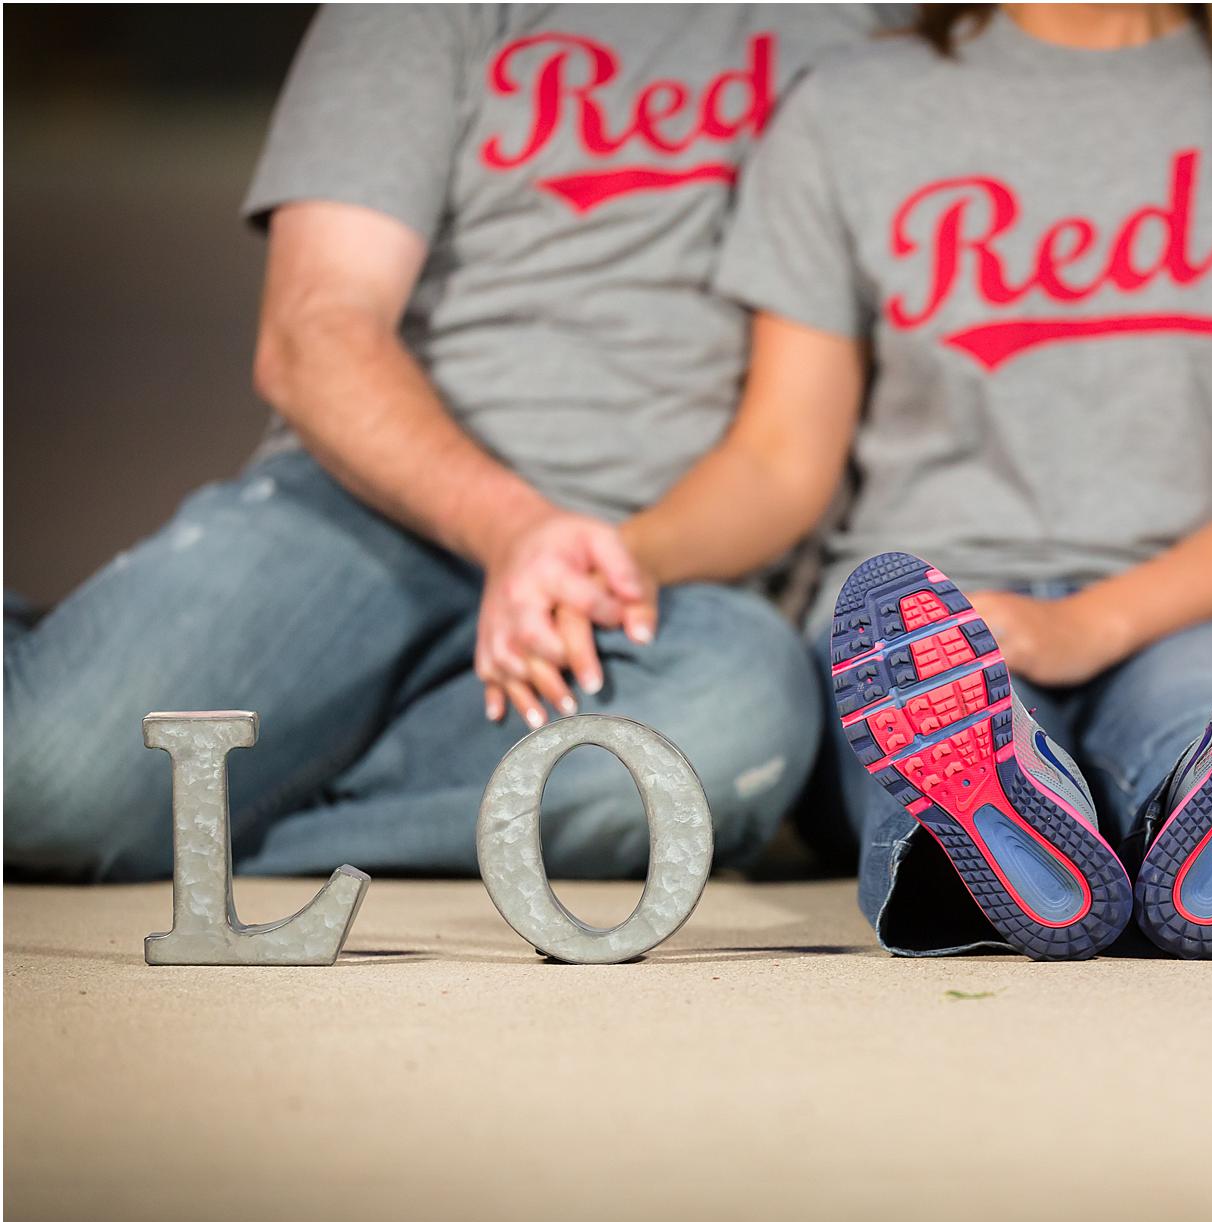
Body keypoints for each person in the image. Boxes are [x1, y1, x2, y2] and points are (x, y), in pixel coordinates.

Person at [486, 2, 1212, 959]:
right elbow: (779, 461)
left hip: (1196, 601)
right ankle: (1037, 825)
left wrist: (1084, 624)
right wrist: (621, 556)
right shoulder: (852, 106)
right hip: (917, 619)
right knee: (938, 721)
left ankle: (1193, 825)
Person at [3, 5, 894, 883]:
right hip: (368, 512)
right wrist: (515, 531)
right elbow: (316, 330)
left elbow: (785, 454)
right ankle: (140, 742)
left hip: (643, 582)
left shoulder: (871, 26)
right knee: (46, 784)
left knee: (730, 726)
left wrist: (598, 566)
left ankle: (210, 810)